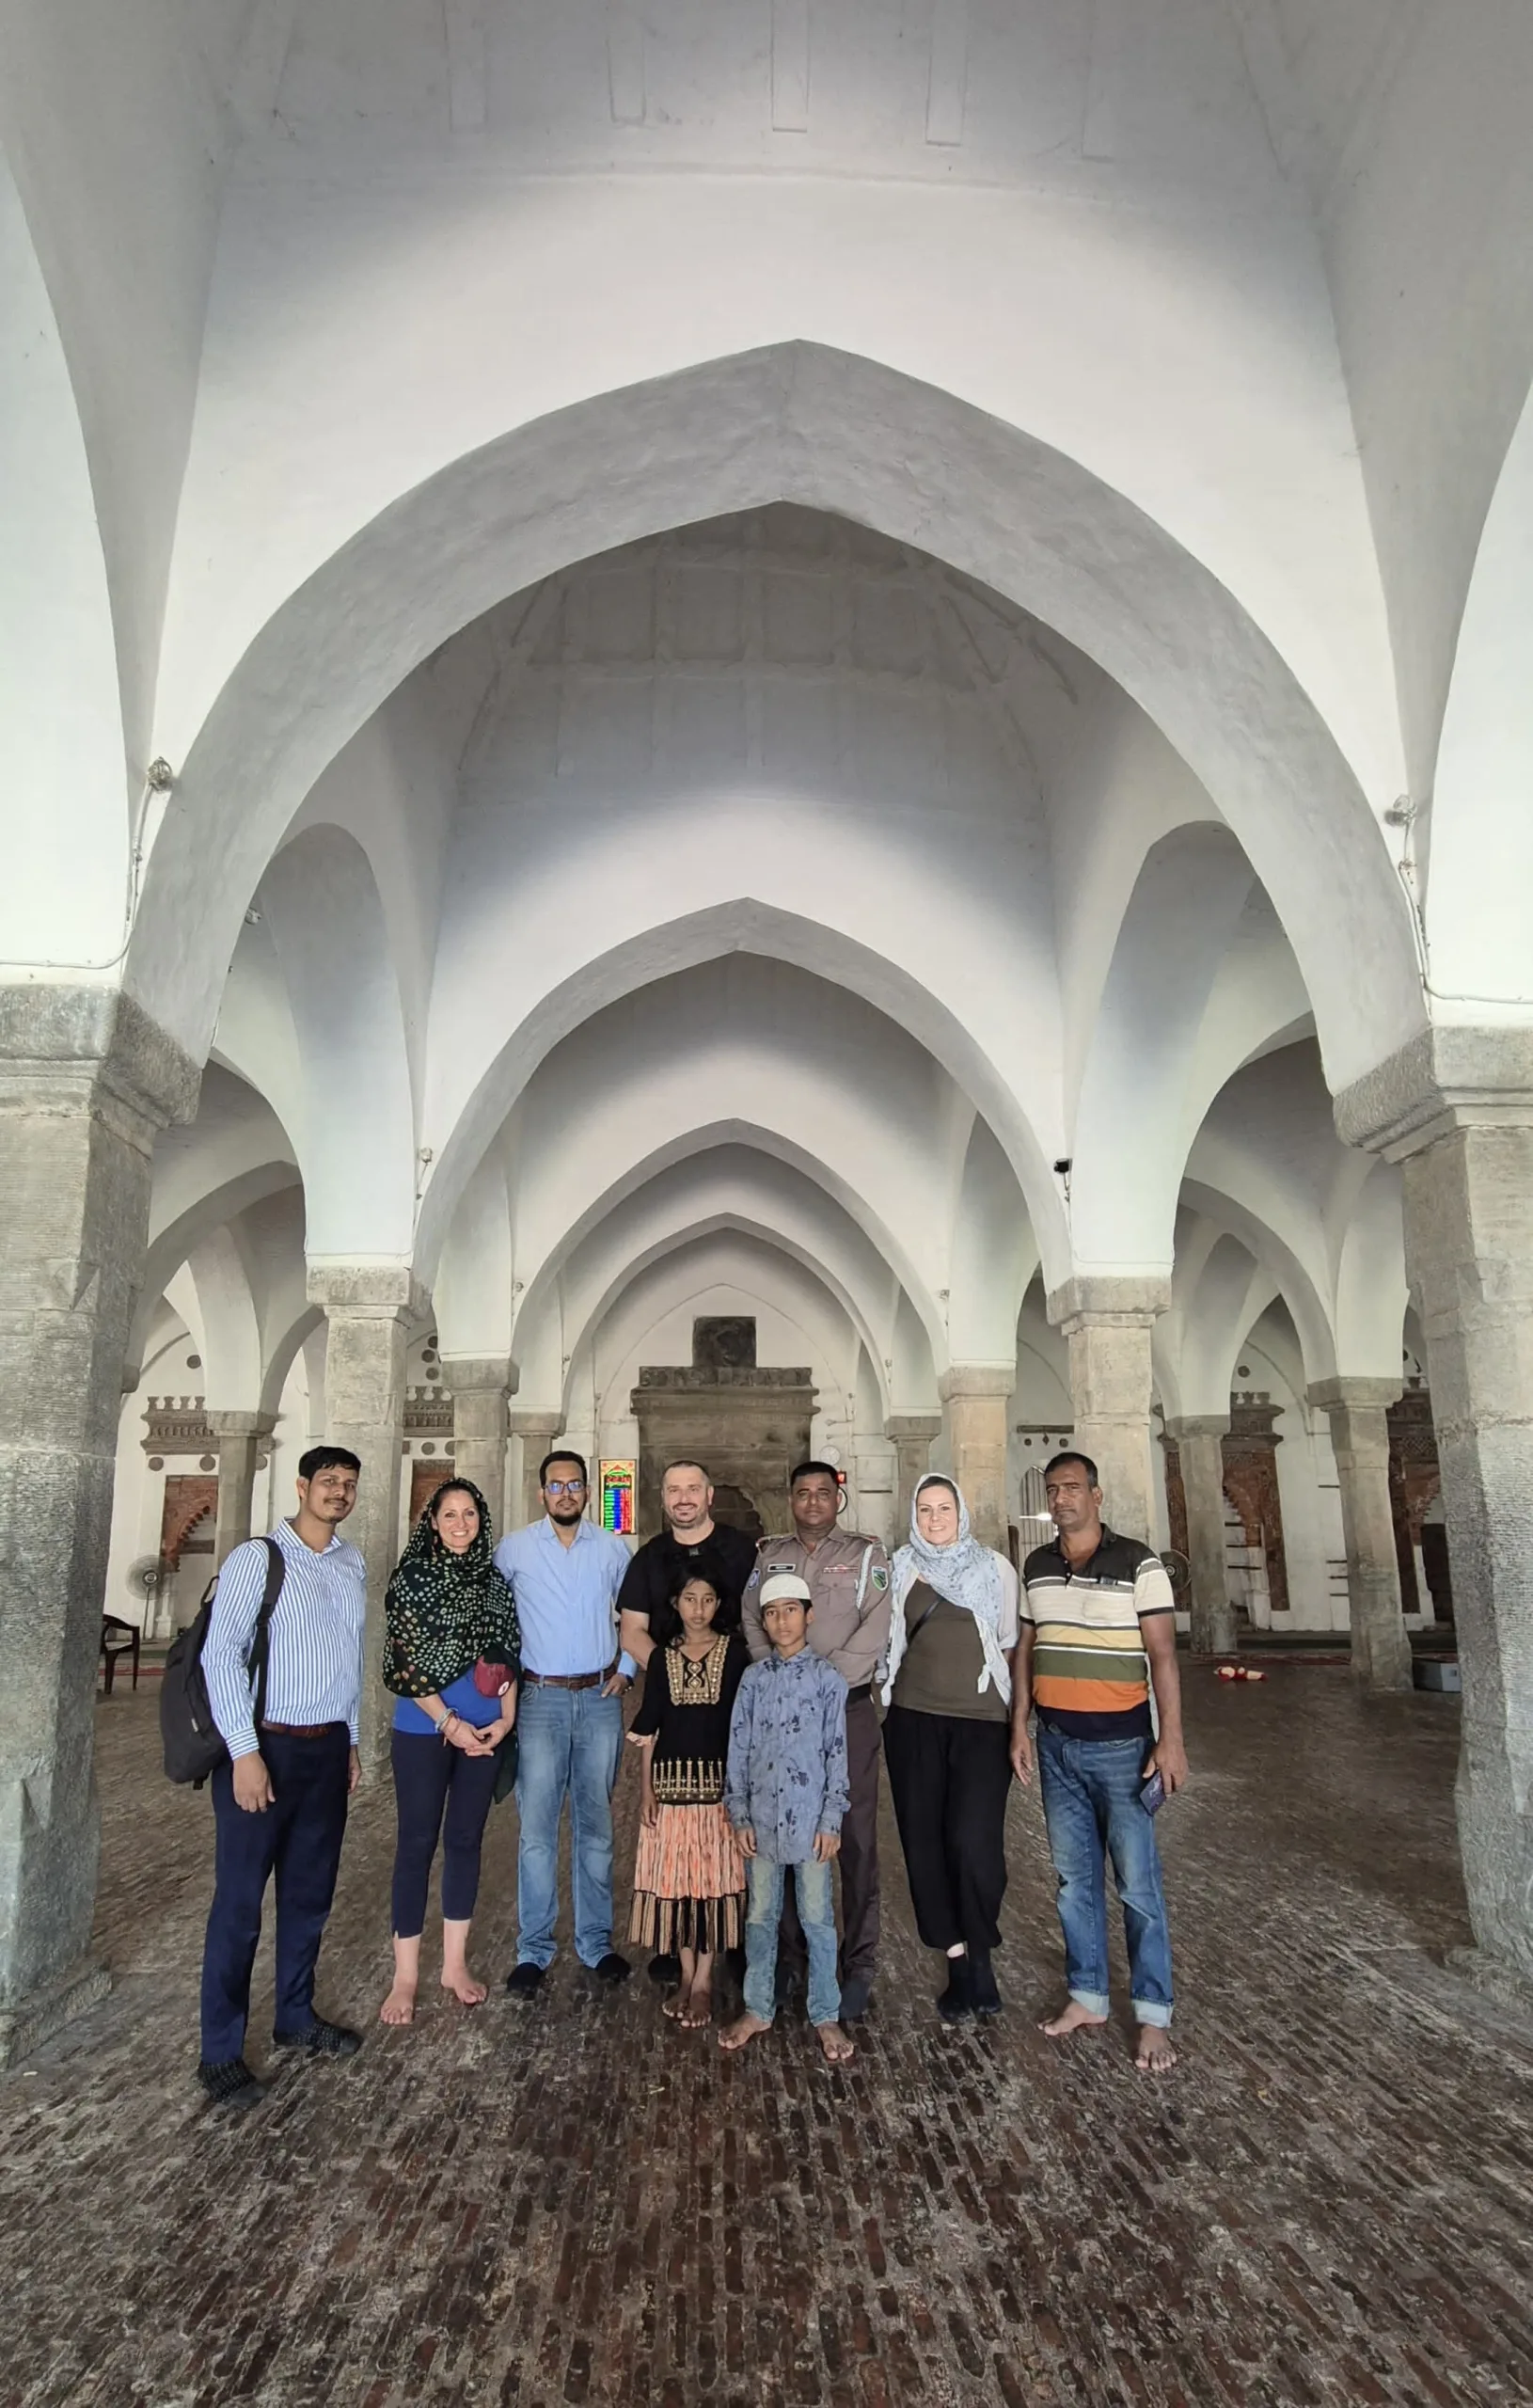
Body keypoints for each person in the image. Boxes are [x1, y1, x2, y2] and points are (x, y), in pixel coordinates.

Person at [197, 1445, 369, 2110]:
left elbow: (349, 1661)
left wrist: (351, 1742)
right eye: (328, 1481)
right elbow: (221, 1657)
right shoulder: (257, 1559)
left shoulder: (351, 1562)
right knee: (240, 1907)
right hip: (264, 1747)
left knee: (308, 1896)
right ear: (301, 1486)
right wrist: (244, 1753)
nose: (339, 1492)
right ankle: (220, 2053)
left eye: (348, 1483)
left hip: (325, 1751)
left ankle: (295, 2015)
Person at [1010, 1450, 1186, 2074]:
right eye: (1053, 1490)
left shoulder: (1139, 1562)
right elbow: (1026, 1648)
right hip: (1057, 1744)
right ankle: (1087, 1995)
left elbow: (1163, 1655)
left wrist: (1171, 1739)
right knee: (1073, 1881)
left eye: (1072, 1487)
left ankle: (1152, 2013)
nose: (1061, 1498)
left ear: (1096, 1494)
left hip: (1123, 1749)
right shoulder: (1037, 1566)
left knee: (1137, 1885)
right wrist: (1020, 1724)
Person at [741, 1461, 891, 2022]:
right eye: (802, 1493)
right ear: (790, 1498)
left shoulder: (867, 1556)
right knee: (781, 1831)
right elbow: (751, 1618)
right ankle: (791, 1959)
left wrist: (820, 1681)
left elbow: (877, 1624)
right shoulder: (768, 1555)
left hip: (846, 1708)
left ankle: (858, 1963)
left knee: (853, 1838)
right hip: (780, 1712)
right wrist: (782, 1673)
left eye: (822, 1493)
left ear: (837, 1499)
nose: (812, 1502)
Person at [379, 1477, 520, 2026]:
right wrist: (448, 1722)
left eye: (470, 1514)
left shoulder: (492, 1581)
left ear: (481, 1521)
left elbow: (508, 1652)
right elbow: (406, 1661)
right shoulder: (413, 1578)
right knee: (416, 1843)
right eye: (450, 1515)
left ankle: (454, 1966)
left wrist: (506, 1719)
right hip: (424, 1728)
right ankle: (406, 1976)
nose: (461, 1524)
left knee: (465, 1840)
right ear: (433, 1523)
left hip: (484, 1732)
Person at [878, 1473, 1019, 2024]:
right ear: (914, 1515)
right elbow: (885, 1640)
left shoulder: (994, 1569)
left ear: (961, 1512)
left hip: (981, 1723)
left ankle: (981, 1952)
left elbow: (1010, 1644)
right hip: (913, 1720)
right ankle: (958, 1960)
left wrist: (1018, 1721)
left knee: (973, 1841)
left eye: (944, 1508)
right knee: (924, 1841)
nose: (935, 1519)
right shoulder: (900, 1567)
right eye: (925, 1509)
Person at [495, 1450, 635, 1995]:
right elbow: (493, 1613)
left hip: (599, 1698)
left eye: (575, 1484)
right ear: (542, 1493)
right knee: (537, 1832)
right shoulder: (515, 1549)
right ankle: (533, 1948)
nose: (566, 1493)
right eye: (556, 1485)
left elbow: (636, 1614)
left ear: (588, 1491)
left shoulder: (612, 1549)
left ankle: (596, 1944)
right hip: (540, 1699)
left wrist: (626, 1669)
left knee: (595, 1828)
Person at [617, 1458, 757, 1983]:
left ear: (709, 1495)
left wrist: (719, 1668)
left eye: (692, 1488)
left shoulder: (743, 1550)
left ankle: (735, 1937)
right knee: (674, 1843)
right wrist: (674, 1670)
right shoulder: (649, 1557)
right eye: (673, 1489)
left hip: (732, 1702)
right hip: (672, 1711)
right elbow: (632, 1629)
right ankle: (675, 1941)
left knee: (730, 1834)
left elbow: (761, 1620)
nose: (683, 1498)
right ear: (663, 1496)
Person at [719, 1574, 854, 2066]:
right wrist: (739, 1813)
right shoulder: (754, 1680)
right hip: (760, 1820)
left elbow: (836, 1751)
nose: (782, 1621)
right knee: (760, 1916)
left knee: (818, 1918)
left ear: (808, 1615)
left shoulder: (827, 1680)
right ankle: (757, 2007)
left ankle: (825, 2012)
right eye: (772, 1613)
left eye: (791, 1610)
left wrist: (831, 1818)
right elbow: (738, 1748)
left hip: (811, 1823)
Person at [628, 1570, 750, 2028]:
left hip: (719, 1793)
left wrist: (741, 1792)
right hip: (670, 1791)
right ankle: (684, 1975)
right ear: (675, 1603)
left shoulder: (734, 1655)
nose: (699, 1609)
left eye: (708, 1599)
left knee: (711, 1883)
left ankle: (703, 1982)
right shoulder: (661, 1659)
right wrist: (646, 1790)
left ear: (719, 1604)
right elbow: (650, 1727)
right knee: (677, 1883)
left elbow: (741, 1727)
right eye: (690, 1599)